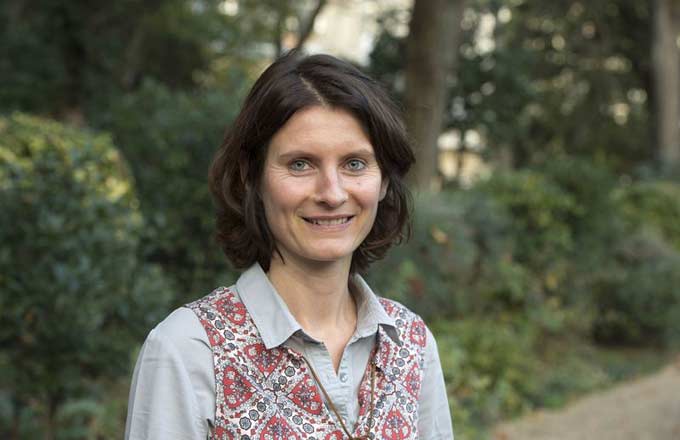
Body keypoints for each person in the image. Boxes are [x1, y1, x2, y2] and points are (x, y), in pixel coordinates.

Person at [125, 51, 454, 439]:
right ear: (251, 176)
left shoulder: (411, 344)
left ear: (383, 180)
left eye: (354, 163)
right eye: (301, 164)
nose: (332, 193)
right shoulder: (189, 351)